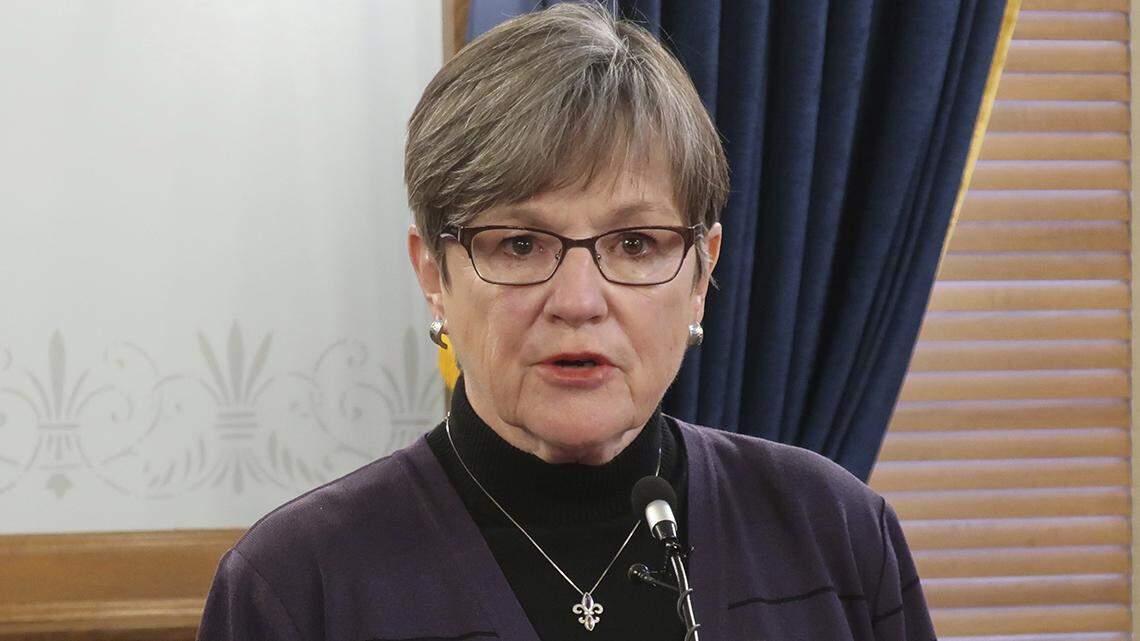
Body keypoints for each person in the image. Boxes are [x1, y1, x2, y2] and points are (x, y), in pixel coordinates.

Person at [197, 4, 935, 640]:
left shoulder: (835, 535)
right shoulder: (299, 585)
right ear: (434, 276)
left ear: (701, 274)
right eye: (520, 244)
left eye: (635, 244)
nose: (579, 300)